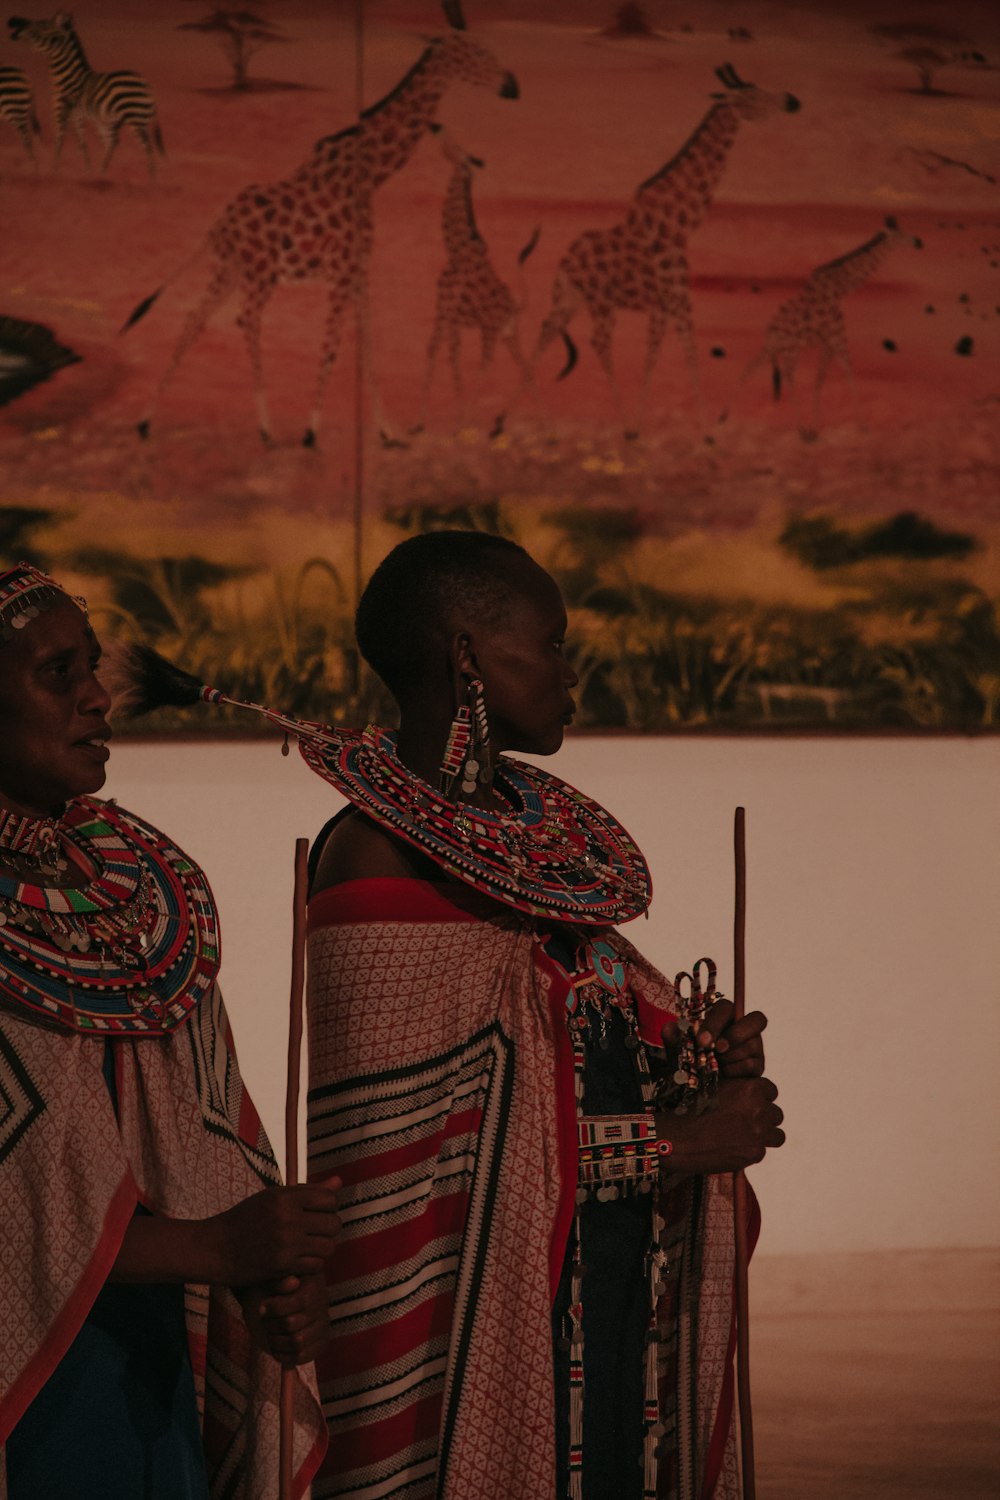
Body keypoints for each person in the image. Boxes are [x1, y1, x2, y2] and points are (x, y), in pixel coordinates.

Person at [113, 531, 785, 1500]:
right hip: (457, 1333)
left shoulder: (537, 836)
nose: (568, 672)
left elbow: (567, 1046)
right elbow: (418, 1173)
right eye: (548, 644)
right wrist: (675, 1144)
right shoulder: (373, 857)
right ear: (465, 653)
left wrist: (690, 1052)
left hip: (601, 1297)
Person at [0, 563, 340, 1498]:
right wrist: (220, 1249)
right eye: (57, 674)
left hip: (146, 1376)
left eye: (93, 667)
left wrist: (269, 1273)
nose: (98, 697)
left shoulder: (138, 903)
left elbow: (209, 1155)